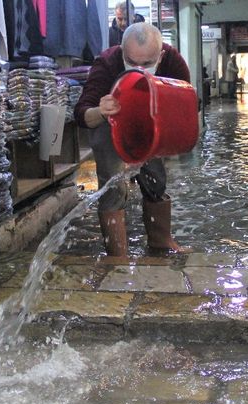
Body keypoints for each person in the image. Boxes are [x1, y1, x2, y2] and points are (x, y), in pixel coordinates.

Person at [75, 22, 190, 256]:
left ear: (160, 56)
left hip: (150, 123)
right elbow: (81, 114)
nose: (138, 69)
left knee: (156, 180)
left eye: (147, 64)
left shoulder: (173, 62)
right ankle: (117, 255)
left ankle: (161, 241)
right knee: (113, 186)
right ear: (121, 52)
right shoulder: (106, 63)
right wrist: (100, 111)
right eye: (131, 61)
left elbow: (186, 104)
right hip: (110, 123)